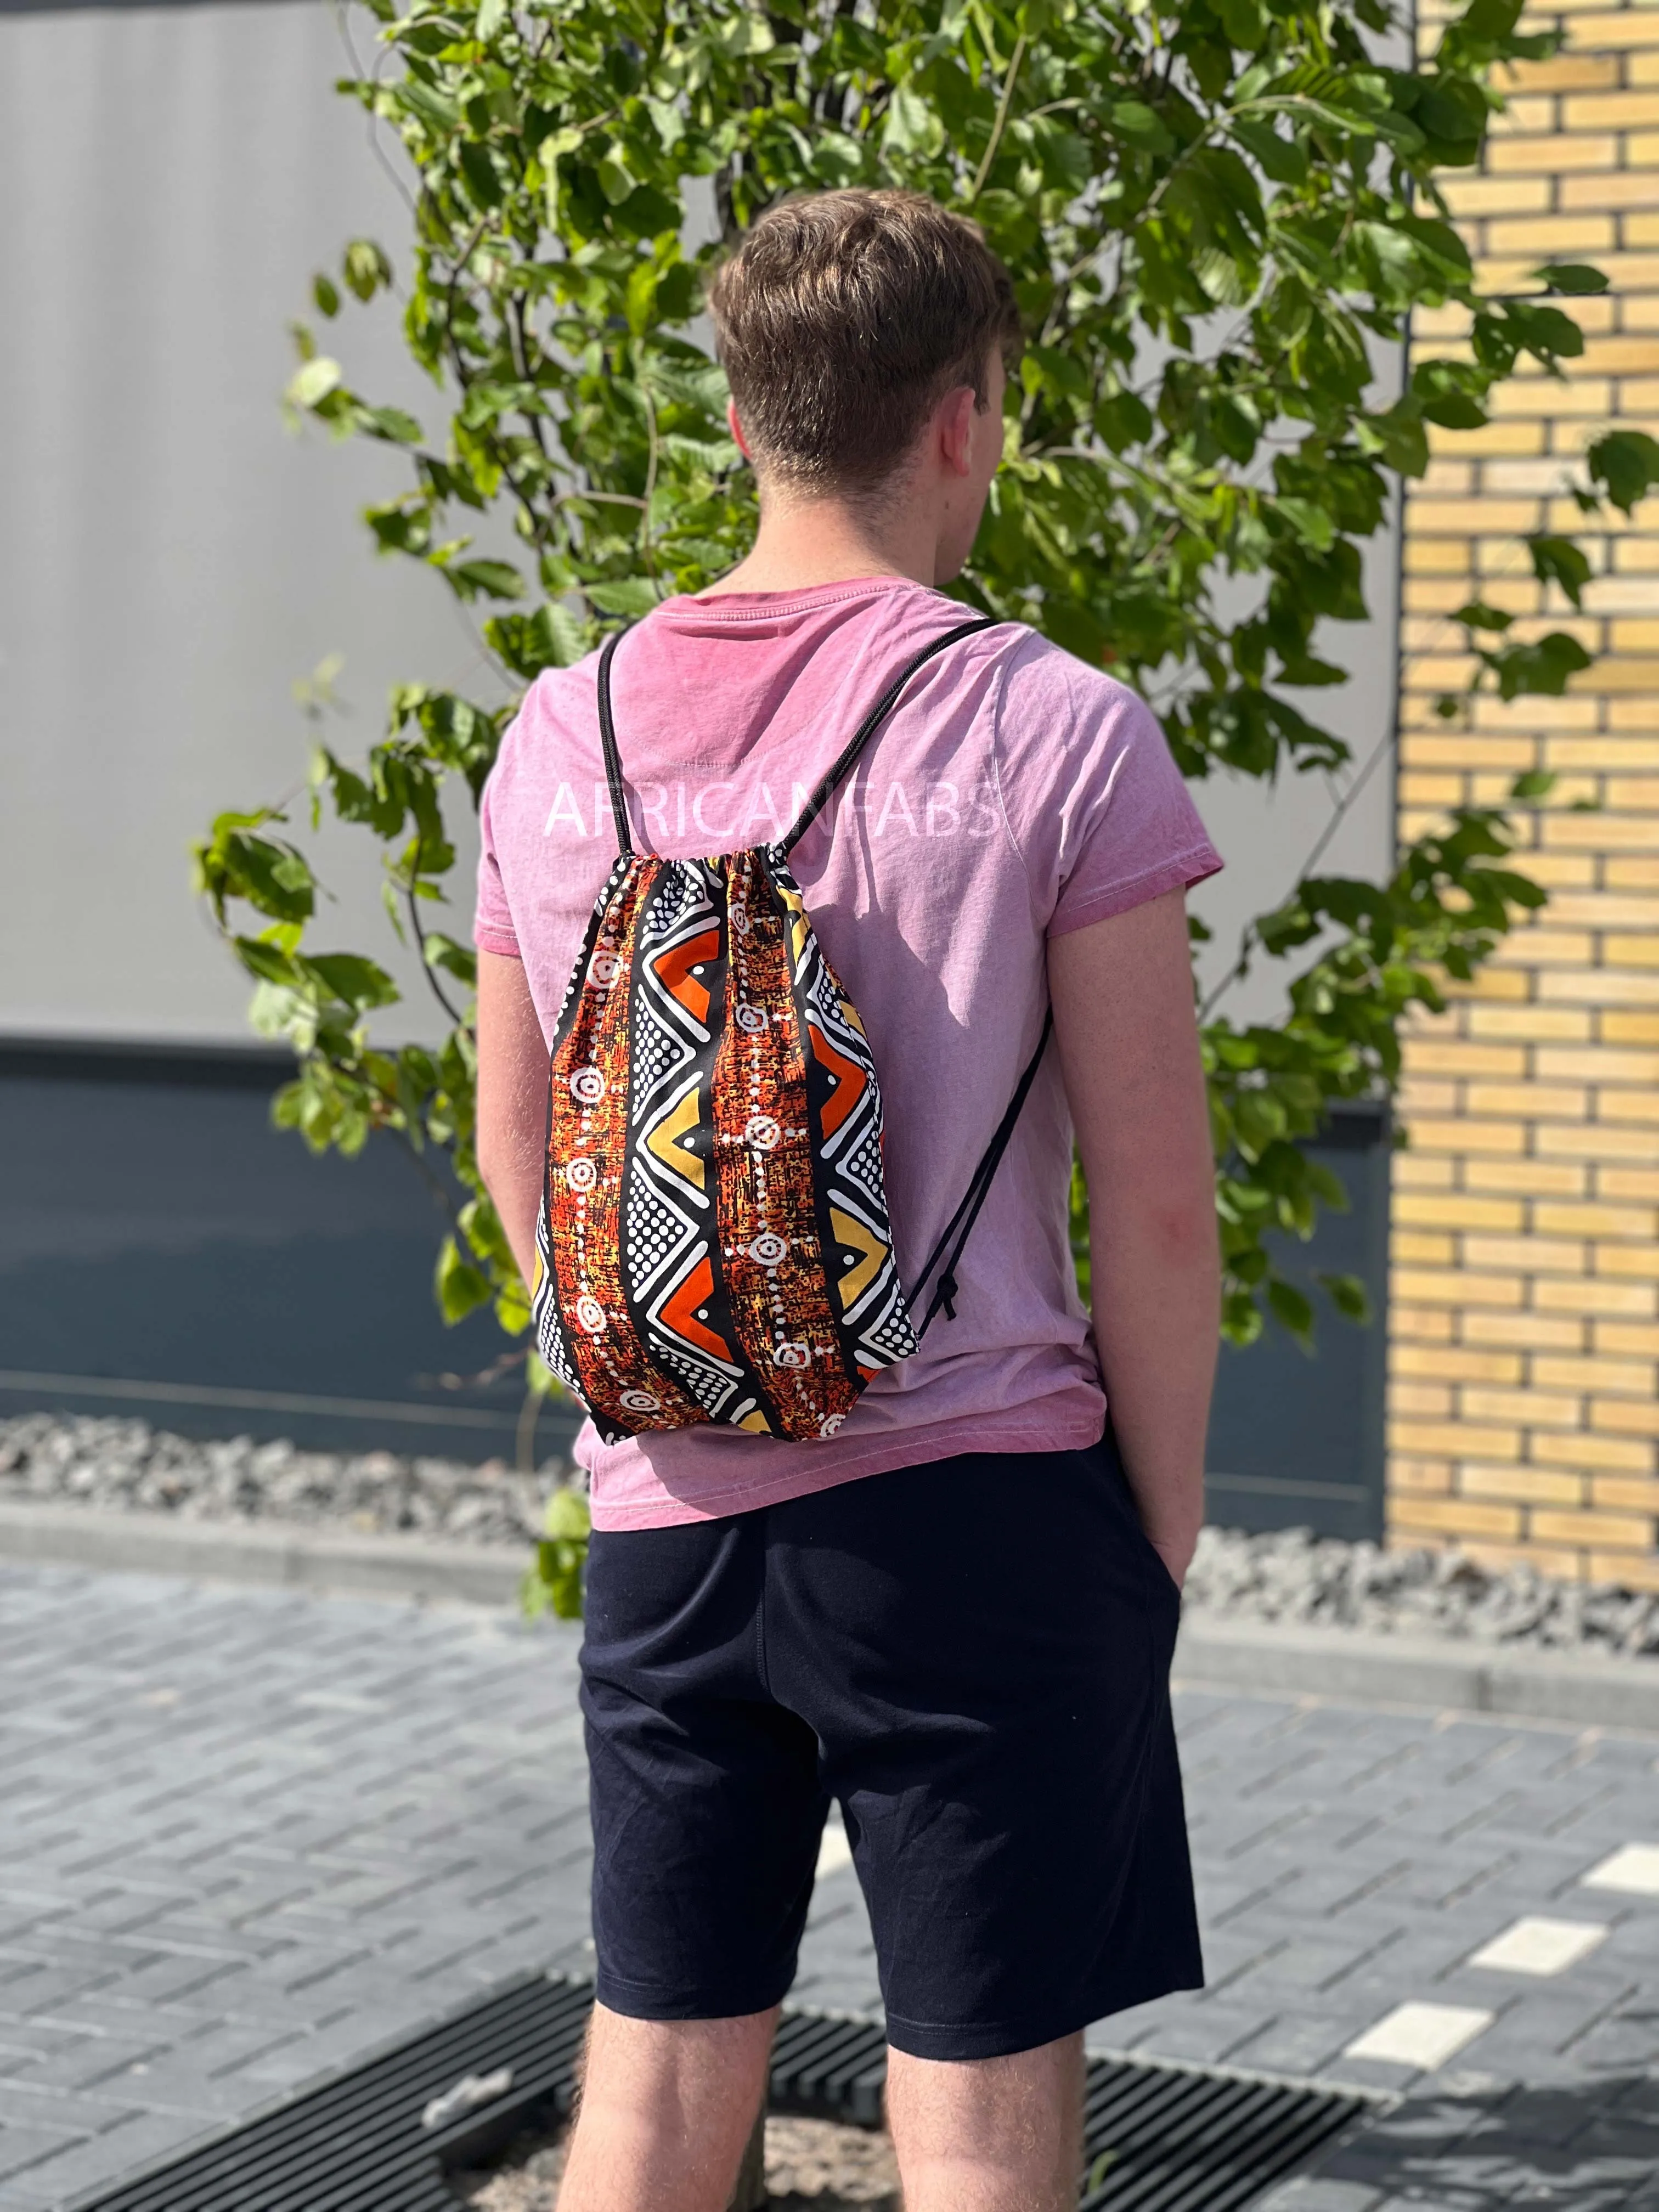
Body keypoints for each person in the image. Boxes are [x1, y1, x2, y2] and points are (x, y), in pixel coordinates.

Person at [474, 188, 1222, 2212]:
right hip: (979, 1512)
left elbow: (518, 1139)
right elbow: (1157, 1210)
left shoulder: (560, 732)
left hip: (671, 1513)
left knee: (648, 2078)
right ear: (966, 418)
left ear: (745, 419)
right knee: (975, 2105)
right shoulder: (1051, 728)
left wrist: (654, 1394)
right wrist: (1144, 1541)